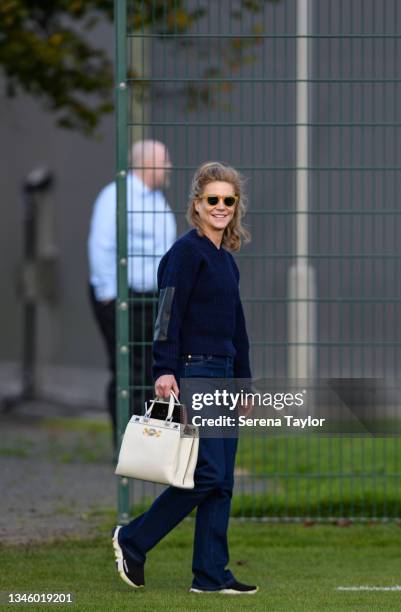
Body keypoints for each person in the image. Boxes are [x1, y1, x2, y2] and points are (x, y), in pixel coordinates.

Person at [112, 161, 258, 595]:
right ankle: (133, 539)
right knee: (208, 473)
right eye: (212, 199)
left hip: (226, 376)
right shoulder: (185, 253)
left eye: (228, 200)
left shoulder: (226, 262)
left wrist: (244, 381)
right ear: (197, 204)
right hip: (195, 372)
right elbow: (167, 316)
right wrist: (165, 369)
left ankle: (210, 576)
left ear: (236, 206)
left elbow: (238, 327)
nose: (220, 207)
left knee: (223, 481)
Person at [88, 140, 176, 447]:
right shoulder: (116, 197)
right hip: (122, 298)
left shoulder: (156, 200)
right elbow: (100, 246)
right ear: (147, 164)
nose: (169, 168)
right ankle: (126, 445)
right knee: (127, 369)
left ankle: (147, 445)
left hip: (151, 298)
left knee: (150, 370)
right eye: (164, 161)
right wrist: (110, 295)